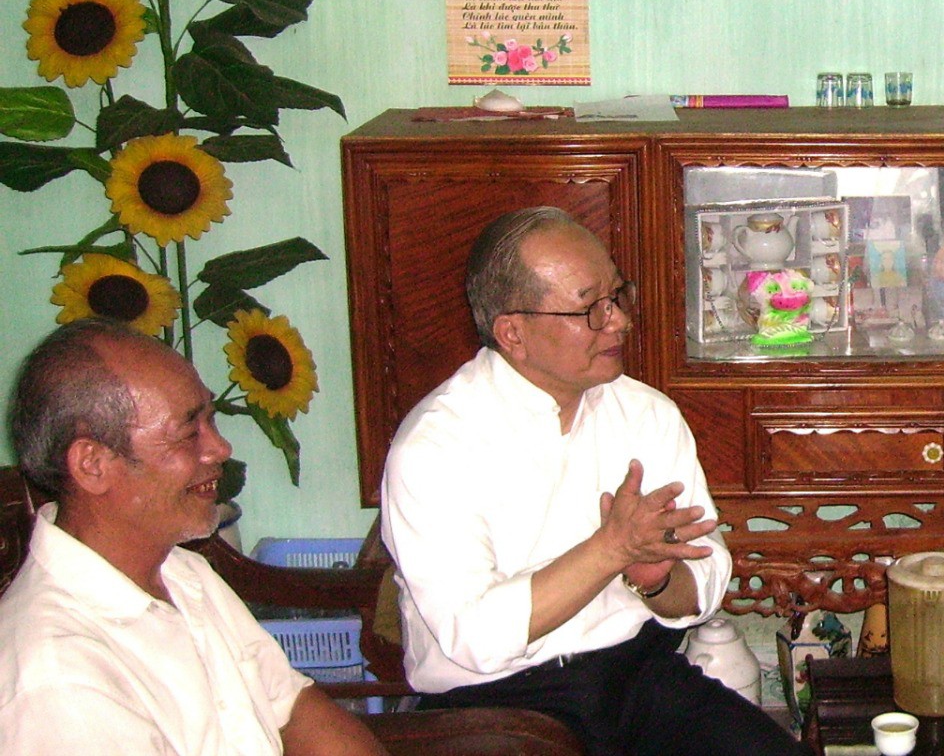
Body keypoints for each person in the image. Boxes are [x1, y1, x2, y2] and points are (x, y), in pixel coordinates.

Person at [381, 207, 806, 756]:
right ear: (514, 331)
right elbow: (475, 639)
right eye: (590, 309)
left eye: (616, 296)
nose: (619, 322)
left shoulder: (645, 414)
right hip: (492, 707)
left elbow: (703, 584)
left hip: (635, 678)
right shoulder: (435, 445)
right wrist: (611, 549)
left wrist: (655, 580)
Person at [0, 319, 385, 755]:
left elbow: (294, 708)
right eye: (188, 434)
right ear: (93, 464)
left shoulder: (180, 571)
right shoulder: (57, 681)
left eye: (211, 420)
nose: (219, 449)